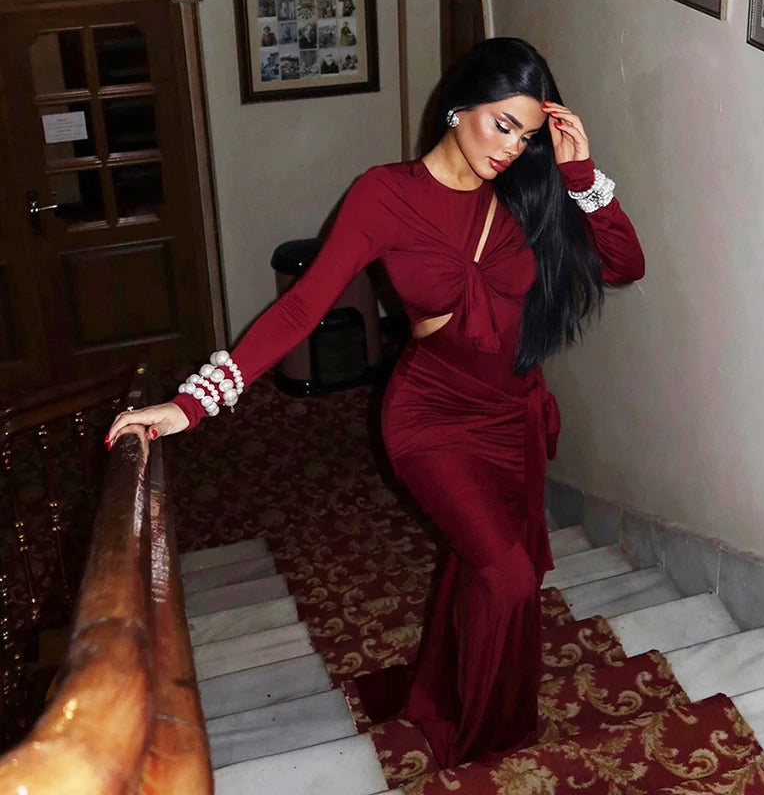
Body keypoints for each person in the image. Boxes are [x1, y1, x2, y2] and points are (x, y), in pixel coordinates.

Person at [107, 38, 644, 768]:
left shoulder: (530, 192)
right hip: (432, 419)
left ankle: (441, 694)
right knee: (508, 574)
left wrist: (578, 173)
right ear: (458, 108)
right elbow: (301, 308)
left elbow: (625, 265)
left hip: (512, 416)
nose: (511, 148)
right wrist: (190, 404)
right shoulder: (385, 195)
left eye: (525, 134)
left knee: (483, 562)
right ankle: (487, 743)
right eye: (500, 124)